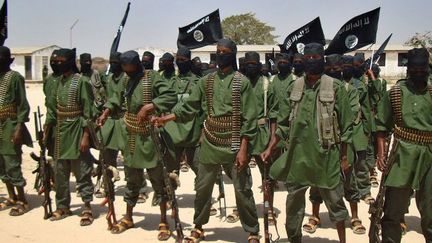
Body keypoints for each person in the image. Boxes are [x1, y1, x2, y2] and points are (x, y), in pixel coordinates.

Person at [153, 39, 261, 243]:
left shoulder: (241, 81)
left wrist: (244, 149)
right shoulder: (206, 81)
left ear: (233, 54)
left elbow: (250, 119)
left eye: (225, 52)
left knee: (242, 188)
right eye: (218, 51)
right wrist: (166, 118)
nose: (221, 55)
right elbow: (189, 106)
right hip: (210, 142)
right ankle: (199, 226)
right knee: (203, 188)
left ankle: (252, 230)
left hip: (235, 143)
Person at [261, 43, 352, 243]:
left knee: (336, 203)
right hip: (297, 157)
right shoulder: (295, 87)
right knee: (293, 205)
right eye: (307, 58)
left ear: (323, 60)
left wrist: (344, 157)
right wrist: (270, 147)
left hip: (326, 157)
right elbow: (283, 123)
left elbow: (346, 128)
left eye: (316, 58)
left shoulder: (335, 86)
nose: (312, 62)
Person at [108, 50, 177, 240]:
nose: (128, 73)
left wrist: (151, 105)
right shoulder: (125, 79)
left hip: (150, 137)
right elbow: (115, 97)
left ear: (138, 64)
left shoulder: (152, 77)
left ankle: (163, 220)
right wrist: (107, 110)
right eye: (125, 70)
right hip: (131, 136)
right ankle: (128, 217)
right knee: (132, 179)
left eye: (130, 69)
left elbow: (171, 95)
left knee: (158, 180)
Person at [375, 47, 432, 243]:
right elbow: (381, 127)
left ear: (428, 68)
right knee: (392, 210)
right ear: (408, 69)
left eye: (422, 69)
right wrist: (381, 155)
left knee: (431, 211)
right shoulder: (397, 93)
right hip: (402, 155)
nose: (418, 73)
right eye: (414, 69)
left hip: (430, 155)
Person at [44, 48, 95, 226]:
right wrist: (47, 128)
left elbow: (89, 112)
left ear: (70, 61)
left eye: (61, 60)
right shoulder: (55, 82)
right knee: (60, 172)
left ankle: (87, 207)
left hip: (77, 131)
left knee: (82, 171)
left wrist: (86, 136)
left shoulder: (81, 82)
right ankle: (63, 206)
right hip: (59, 131)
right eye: (55, 61)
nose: (57, 63)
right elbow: (51, 108)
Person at [243, 51, 278, 225]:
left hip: (261, 134)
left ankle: (269, 209)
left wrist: (272, 140)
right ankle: (245, 209)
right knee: (241, 175)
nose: (250, 66)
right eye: (247, 63)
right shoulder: (239, 83)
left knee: (267, 176)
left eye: (253, 64)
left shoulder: (266, 85)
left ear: (259, 65)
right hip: (243, 135)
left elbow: (274, 116)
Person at [0, 46, 33, 216]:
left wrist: (19, 127)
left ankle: (22, 200)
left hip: (10, 125)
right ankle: (11, 196)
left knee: (12, 163)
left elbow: (22, 105)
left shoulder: (15, 78)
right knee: (1, 165)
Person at [164, 47, 201, 175]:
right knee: (171, 169)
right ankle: (169, 194)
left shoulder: (198, 82)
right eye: (178, 59)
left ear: (189, 61)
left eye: (183, 59)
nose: (180, 62)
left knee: (197, 165)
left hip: (191, 130)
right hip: (172, 130)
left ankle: (202, 193)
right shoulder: (170, 82)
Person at [94, 52, 127, 197]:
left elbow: (116, 98)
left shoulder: (126, 79)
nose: (112, 65)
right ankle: (106, 183)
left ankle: (140, 188)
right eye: (111, 62)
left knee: (130, 156)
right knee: (106, 154)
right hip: (110, 120)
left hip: (124, 119)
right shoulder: (109, 78)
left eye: (115, 62)